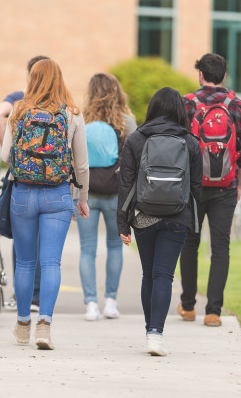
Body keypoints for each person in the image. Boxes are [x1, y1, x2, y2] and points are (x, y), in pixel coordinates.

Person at [0, 59, 90, 350]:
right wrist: (83, 199)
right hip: (58, 195)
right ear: (60, 79)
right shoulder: (72, 114)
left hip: (23, 194)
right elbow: (83, 165)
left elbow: (5, 156)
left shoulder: (18, 110)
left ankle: (23, 323)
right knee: (51, 262)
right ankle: (45, 326)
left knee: (25, 262)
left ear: (32, 79)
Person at [118, 87, 202, 356]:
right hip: (177, 217)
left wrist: (123, 223)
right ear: (180, 109)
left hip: (144, 217)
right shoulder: (190, 142)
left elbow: (126, 184)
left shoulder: (136, 139)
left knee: (149, 274)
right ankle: (157, 334)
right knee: (164, 274)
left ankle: (149, 330)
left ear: (153, 108)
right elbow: (197, 187)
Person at [178, 53, 241, 327]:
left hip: (193, 187)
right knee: (220, 247)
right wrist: (239, 184)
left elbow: (177, 145)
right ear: (224, 76)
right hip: (226, 188)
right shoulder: (238, 106)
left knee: (190, 244)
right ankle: (213, 312)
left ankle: (188, 306)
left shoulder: (187, 104)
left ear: (200, 75)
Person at [76, 73, 137, 321]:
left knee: (87, 250)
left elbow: (75, 160)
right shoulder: (127, 122)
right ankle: (110, 302)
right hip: (117, 194)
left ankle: (91, 304)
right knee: (115, 247)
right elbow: (134, 162)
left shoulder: (80, 119)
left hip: (86, 193)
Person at [0, 55, 49, 311]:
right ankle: (39, 299)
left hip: (22, 179)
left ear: (29, 75)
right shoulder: (60, 104)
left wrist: (11, 149)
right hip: (51, 182)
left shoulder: (19, 101)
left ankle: (21, 296)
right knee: (44, 243)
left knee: (21, 240)